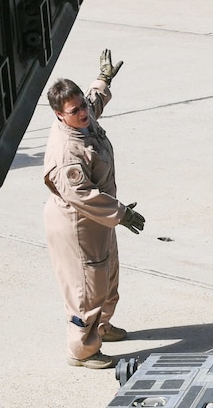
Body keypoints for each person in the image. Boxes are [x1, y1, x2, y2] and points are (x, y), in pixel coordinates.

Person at [42, 50, 145, 369]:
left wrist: (103, 79)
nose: (84, 112)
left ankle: (102, 327)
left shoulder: (84, 118)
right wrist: (122, 213)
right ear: (60, 115)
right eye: (75, 110)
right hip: (78, 224)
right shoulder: (68, 150)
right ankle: (82, 350)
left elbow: (93, 100)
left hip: (99, 222)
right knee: (87, 286)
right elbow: (81, 195)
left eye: (82, 106)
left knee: (108, 274)